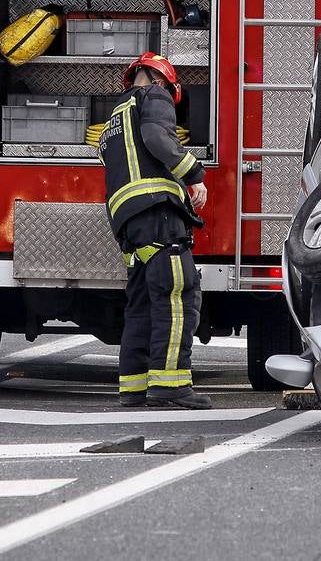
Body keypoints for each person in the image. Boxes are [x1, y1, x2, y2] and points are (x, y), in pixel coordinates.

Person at [98, 53, 210, 410]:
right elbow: (158, 139)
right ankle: (171, 385)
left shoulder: (113, 120)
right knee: (177, 296)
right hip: (157, 213)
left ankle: (133, 388)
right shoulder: (153, 97)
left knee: (142, 305)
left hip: (129, 222)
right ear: (163, 83)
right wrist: (194, 175)